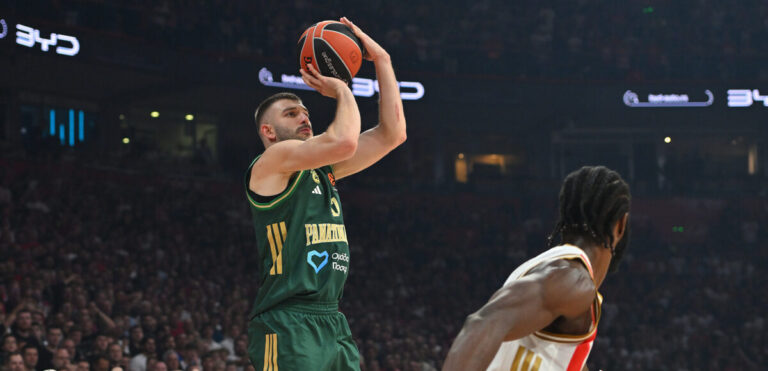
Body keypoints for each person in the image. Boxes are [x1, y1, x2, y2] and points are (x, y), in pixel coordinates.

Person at [245, 17, 406, 371]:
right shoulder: (269, 163)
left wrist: (382, 60)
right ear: (268, 131)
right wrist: (343, 90)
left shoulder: (323, 169)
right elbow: (345, 141)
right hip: (286, 322)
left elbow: (392, 135)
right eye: (291, 114)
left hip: (331, 320)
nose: (304, 117)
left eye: (305, 112)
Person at [443, 166, 631, 371]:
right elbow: (480, 324)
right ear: (621, 224)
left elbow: (555, 359)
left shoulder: (551, 270)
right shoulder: (572, 279)